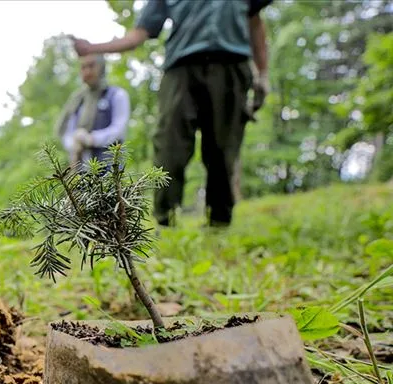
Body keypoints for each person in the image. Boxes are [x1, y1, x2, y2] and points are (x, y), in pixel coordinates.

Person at [73, 0, 272, 227]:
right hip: (180, 69)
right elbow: (139, 34)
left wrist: (263, 73)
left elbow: (255, 22)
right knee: (169, 146)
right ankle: (165, 221)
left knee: (223, 148)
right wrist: (93, 49)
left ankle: (219, 223)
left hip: (231, 64)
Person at [56, 54, 130, 171]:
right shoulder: (77, 101)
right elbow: (67, 133)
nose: (87, 71)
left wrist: (91, 139)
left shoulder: (116, 95)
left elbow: (119, 130)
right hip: (81, 171)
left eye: (91, 66)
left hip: (110, 170)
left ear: (101, 67)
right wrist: (74, 142)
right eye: (83, 67)